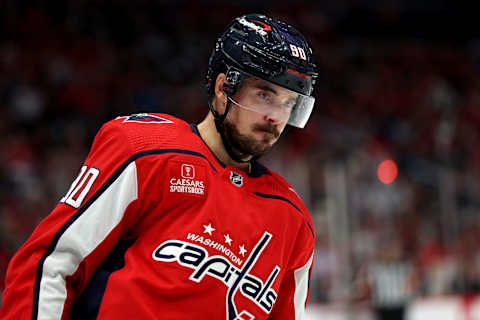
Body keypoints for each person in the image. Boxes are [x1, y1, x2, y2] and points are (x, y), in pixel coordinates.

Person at [0, 13, 318, 319]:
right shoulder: (146, 150)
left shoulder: (293, 221)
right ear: (224, 88)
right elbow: (49, 265)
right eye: (265, 94)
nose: (275, 117)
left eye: (288, 104)